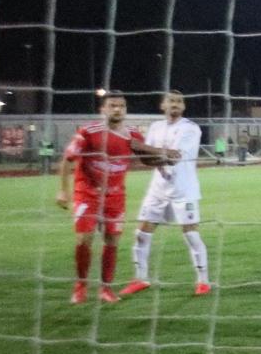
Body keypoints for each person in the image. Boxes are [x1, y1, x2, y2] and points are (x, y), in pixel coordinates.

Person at [58, 92, 168, 304]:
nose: (117, 109)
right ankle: (81, 286)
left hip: (115, 196)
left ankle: (106, 289)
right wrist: (63, 191)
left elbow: (146, 159)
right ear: (103, 109)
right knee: (84, 239)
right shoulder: (88, 132)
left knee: (112, 240)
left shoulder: (132, 136)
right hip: (87, 193)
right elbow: (68, 159)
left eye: (121, 106)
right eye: (112, 105)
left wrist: (163, 161)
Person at [122, 90, 211, 297]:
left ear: (184, 106)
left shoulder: (190, 128)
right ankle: (140, 278)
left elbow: (174, 157)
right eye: (171, 101)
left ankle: (203, 281)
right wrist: (147, 150)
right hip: (158, 189)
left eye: (179, 101)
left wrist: (141, 147)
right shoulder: (155, 127)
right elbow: (147, 160)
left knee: (191, 234)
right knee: (141, 234)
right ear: (163, 105)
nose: (175, 104)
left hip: (184, 190)